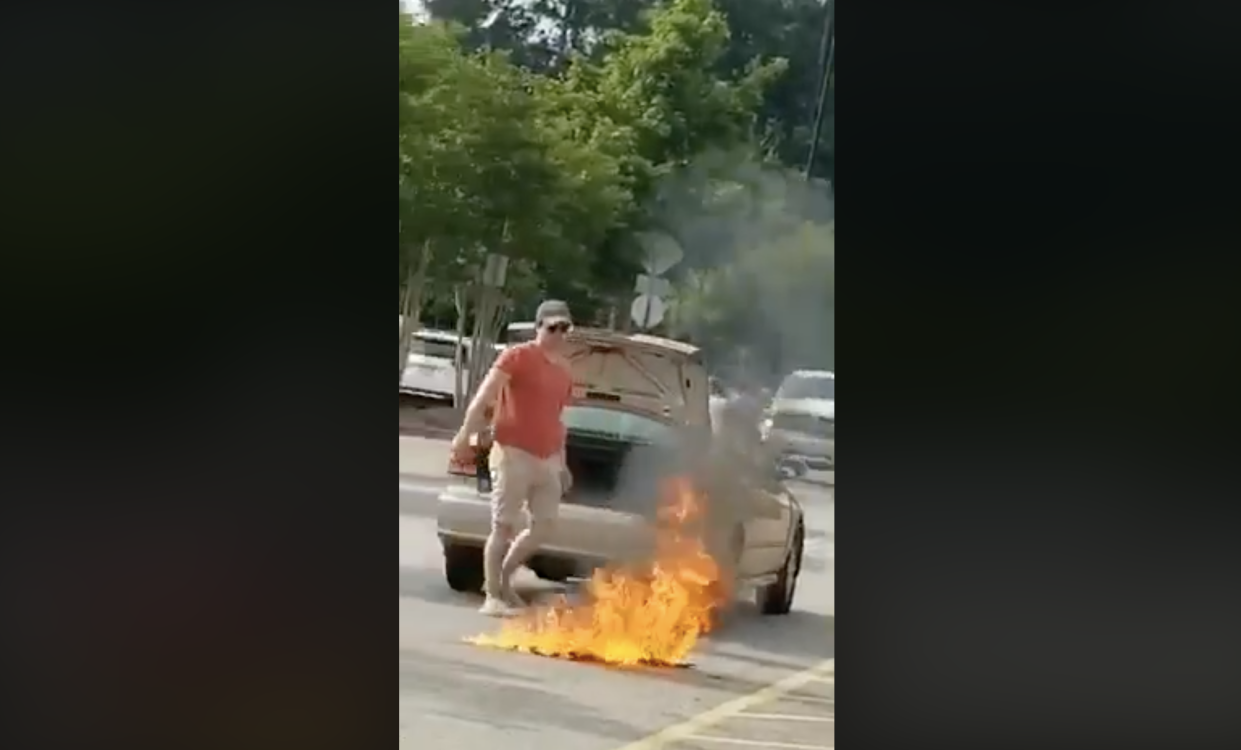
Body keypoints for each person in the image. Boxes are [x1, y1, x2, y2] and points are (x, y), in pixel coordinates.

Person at [450, 300, 576, 616]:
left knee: (544, 525)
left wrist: (562, 462)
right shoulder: (517, 356)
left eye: (565, 328)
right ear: (538, 328)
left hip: (548, 459)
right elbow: (485, 395)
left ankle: (505, 578)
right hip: (512, 453)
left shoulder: (564, 372)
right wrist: (465, 433)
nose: (559, 333)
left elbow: (558, 419)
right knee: (503, 525)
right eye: (553, 327)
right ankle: (493, 596)